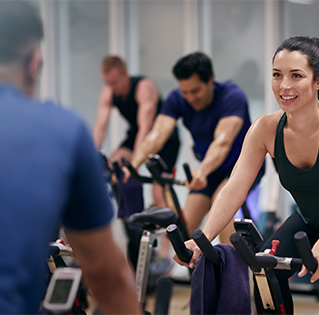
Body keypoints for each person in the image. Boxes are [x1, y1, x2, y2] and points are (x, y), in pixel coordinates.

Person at [175, 36, 319, 315]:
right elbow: (235, 188)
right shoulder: (265, 129)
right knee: (265, 275)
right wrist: (203, 237)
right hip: (312, 222)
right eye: (277, 75)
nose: (284, 86)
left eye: (296, 76)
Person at [0, 2, 141, 314]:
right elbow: (106, 275)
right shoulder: (62, 130)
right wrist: (86, 155)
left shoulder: (144, 90)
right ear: (34, 63)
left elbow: (147, 127)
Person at [127, 52, 263, 244]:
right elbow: (159, 133)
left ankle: (231, 272)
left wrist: (202, 171)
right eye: (185, 92)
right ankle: (200, 274)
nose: (190, 97)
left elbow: (222, 143)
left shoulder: (232, 96)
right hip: (211, 171)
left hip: (241, 167)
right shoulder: (177, 99)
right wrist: (133, 165)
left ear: (210, 80)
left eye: (195, 91)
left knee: (222, 213)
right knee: (185, 230)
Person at [93, 55, 180, 213]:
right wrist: (91, 157)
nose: (111, 88)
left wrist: (135, 164)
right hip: (136, 133)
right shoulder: (108, 92)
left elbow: (145, 129)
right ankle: (132, 226)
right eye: (107, 83)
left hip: (164, 138)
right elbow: (100, 128)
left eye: (114, 83)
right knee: (114, 165)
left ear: (125, 75)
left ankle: (170, 235)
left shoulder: (143, 88)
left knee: (159, 193)